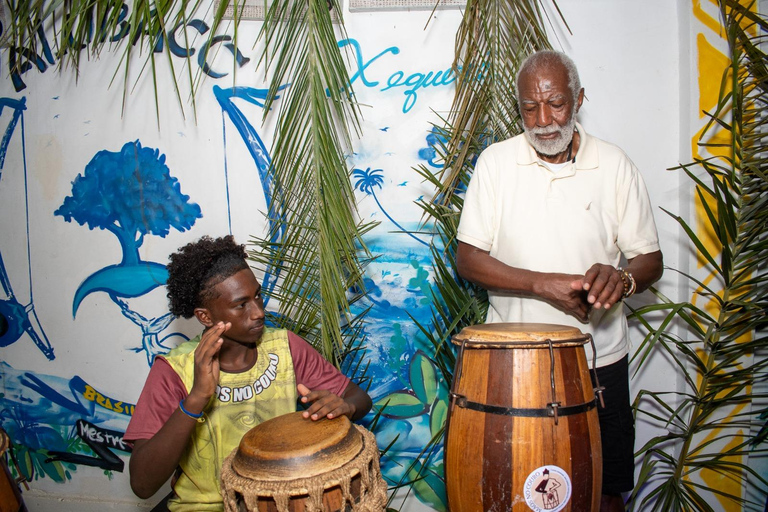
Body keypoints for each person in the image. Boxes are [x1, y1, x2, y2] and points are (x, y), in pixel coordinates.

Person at [455, 50, 663, 512]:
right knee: (513, 486)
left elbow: (650, 259)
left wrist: (622, 279)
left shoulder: (613, 164)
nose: (544, 120)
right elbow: (467, 259)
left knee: (604, 488)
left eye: (556, 104)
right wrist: (541, 284)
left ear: (579, 99)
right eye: (530, 108)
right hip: (514, 363)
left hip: (599, 361)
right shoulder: (496, 163)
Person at [124, 235, 372, 511]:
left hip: (278, 503)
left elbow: (359, 398)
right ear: (205, 317)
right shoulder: (173, 370)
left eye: (258, 296)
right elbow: (142, 484)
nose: (258, 312)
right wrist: (196, 399)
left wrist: (345, 406)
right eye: (241, 305)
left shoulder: (285, 347)